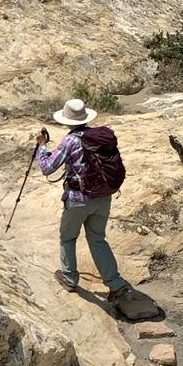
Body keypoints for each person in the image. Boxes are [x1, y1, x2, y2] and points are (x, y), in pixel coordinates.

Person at [35, 98, 133, 301]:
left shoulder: (70, 141)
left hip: (78, 199)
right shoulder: (98, 138)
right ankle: (115, 284)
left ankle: (70, 279)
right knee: (97, 239)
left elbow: (47, 168)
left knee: (68, 237)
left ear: (67, 121)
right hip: (102, 197)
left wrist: (42, 147)